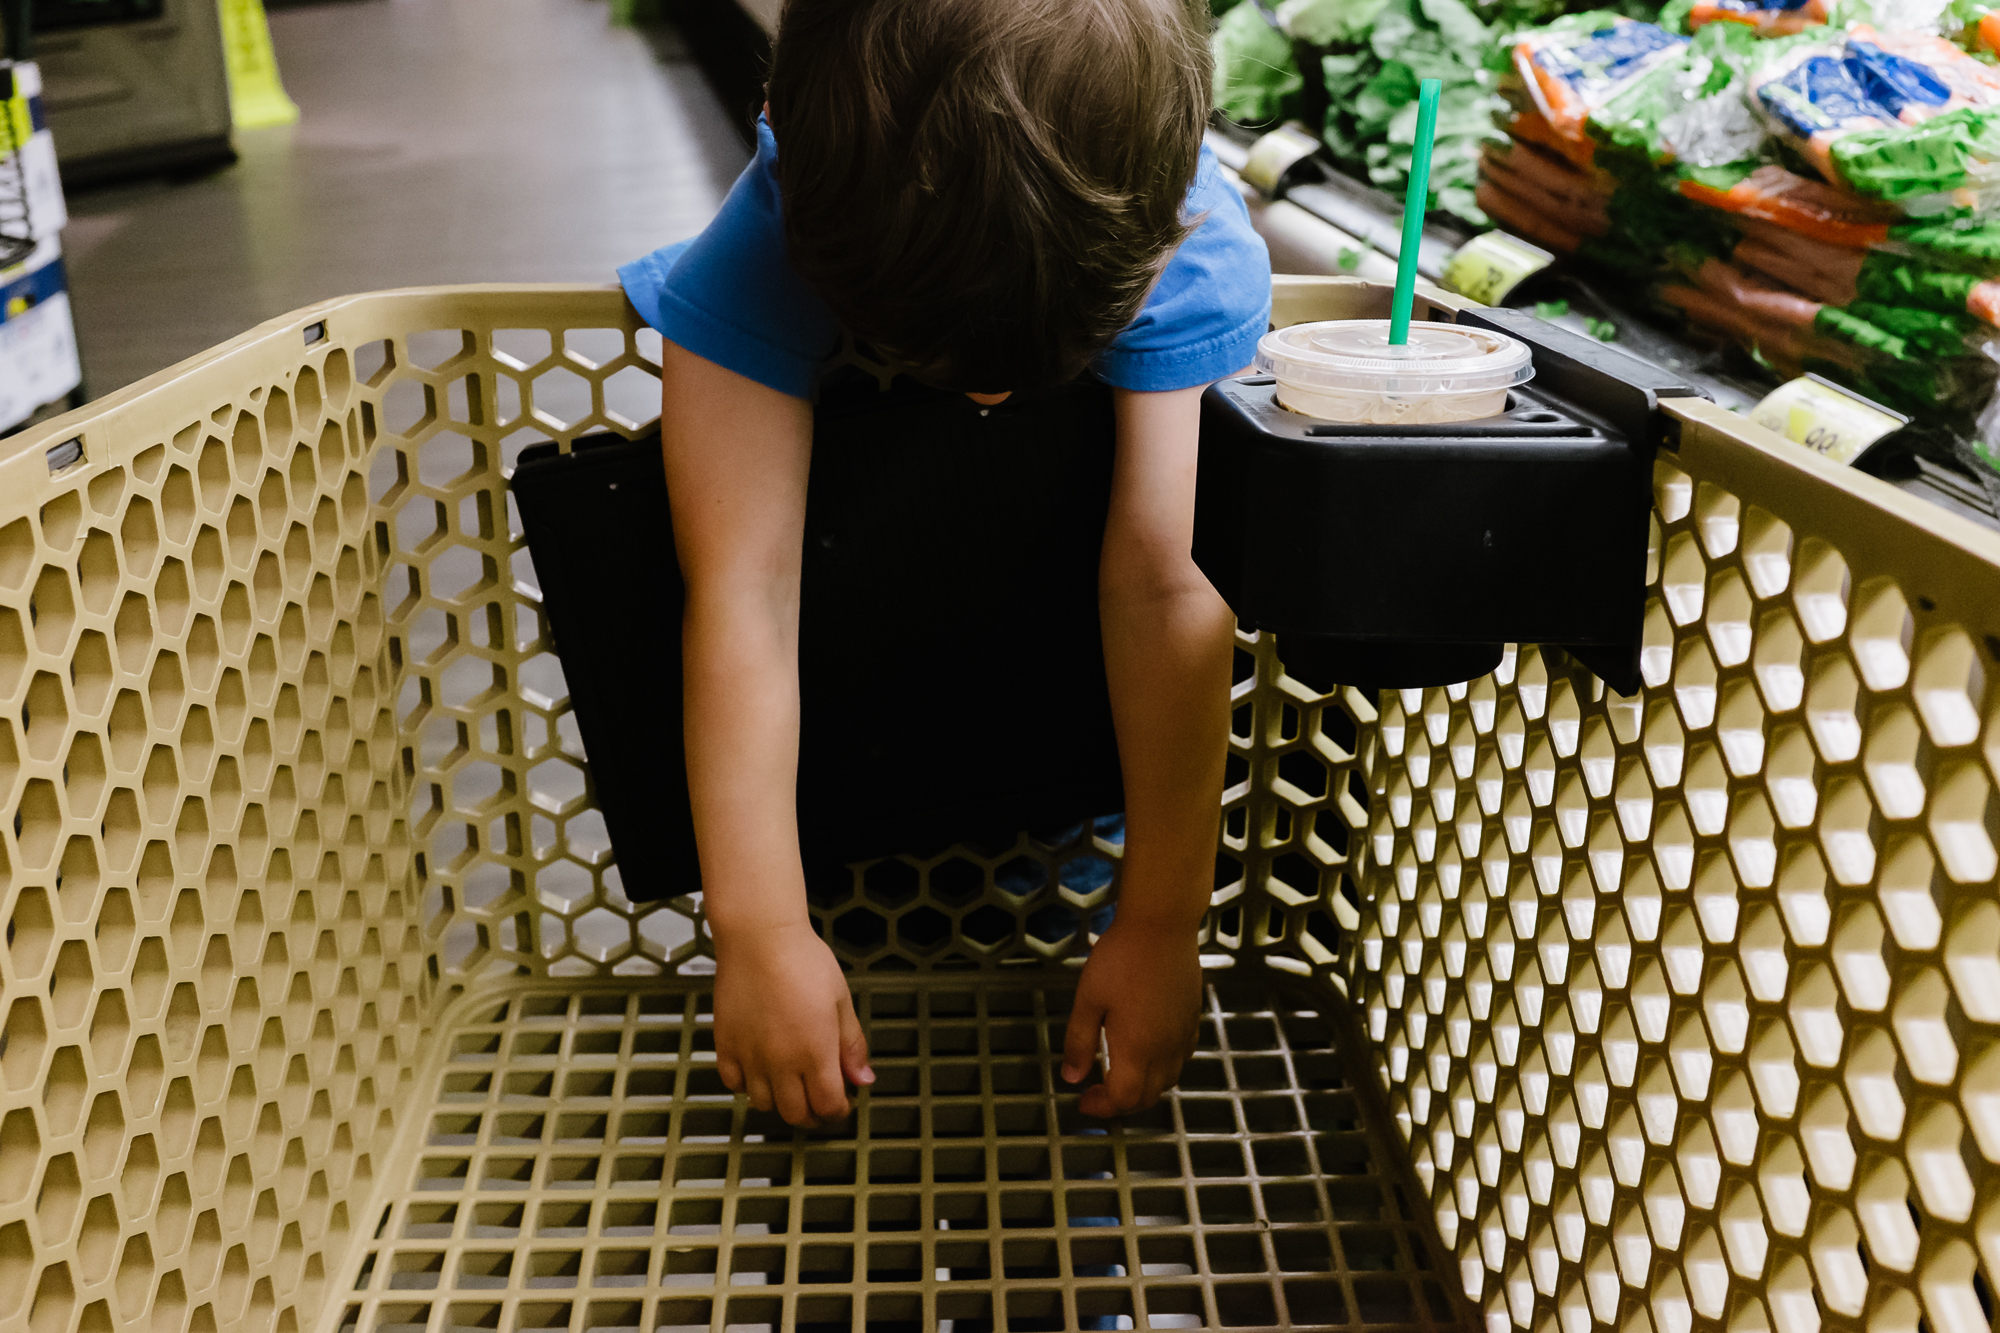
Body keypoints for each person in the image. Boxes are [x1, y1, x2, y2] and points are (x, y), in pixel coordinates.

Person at [617, 0, 1272, 1128]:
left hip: (1080, 749)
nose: (983, 400)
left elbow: (1168, 582)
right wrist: (761, 929)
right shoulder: (772, 231)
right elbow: (744, 595)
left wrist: (1161, 922)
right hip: (847, 738)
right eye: (920, 352)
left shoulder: (1183, 235)